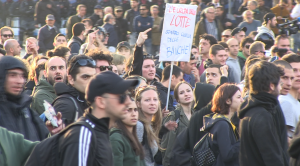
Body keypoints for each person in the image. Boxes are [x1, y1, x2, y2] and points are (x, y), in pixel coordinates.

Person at [44, 71, 138, 165]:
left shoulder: (101, 132)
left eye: (129, 96)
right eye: (122, 97)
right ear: (101, 102)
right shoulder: (83, 134)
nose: (128, 102)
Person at [0, 56, 63, 141]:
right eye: (13, 75)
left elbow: (40, 147)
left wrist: (51, 133)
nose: (20, 81)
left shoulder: (26, 110)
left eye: (22, 76)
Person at [238, 60, 289, 166]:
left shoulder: (250, 111)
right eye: (280, 83)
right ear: (271, 86)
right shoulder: (261, 116)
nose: (280, 88)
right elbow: (272, 157)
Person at [202, 83, 242, 166]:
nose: (242, 100)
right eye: (238, 97)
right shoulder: (222, 124)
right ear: (228, 101)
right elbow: (227, 155)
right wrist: (243, 141)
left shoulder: (224, 121)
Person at [52, 55, 96, 126]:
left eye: (94, 77)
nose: (91, 81)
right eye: (85, 77)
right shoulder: (65, 104)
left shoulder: (93, 101)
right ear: (71, 79)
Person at [161, 81, 194, 166]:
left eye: (188, 91)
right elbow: (168, 147)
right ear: (178, 99)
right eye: (182, 93)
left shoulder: (196, 115)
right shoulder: (174, 116)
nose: (186, 94)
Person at [110, 100, 146, 166]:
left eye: (135, 110)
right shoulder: (116, 139)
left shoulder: (133, 136)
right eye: (128, 110)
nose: (134, 114)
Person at [135, 85, 162, 166]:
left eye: (155, 99)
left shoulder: (150, 124)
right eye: (147, 100)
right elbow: (134, 158)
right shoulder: (138, 125)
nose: (152, 103)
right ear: (138, 104)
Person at [279, 54, 300, 139]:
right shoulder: (285, 102)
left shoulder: (296, 102)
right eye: (294, 70)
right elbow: (285, 140)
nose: (298, 74)